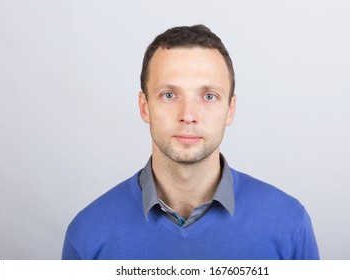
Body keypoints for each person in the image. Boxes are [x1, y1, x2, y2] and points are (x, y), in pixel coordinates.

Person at [62, 24, 319, 260]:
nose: (188, 115)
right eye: (169, 94)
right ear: (144, 107)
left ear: (230, 109)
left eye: (208, 96)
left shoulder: (288, 225)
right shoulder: (87, 235)